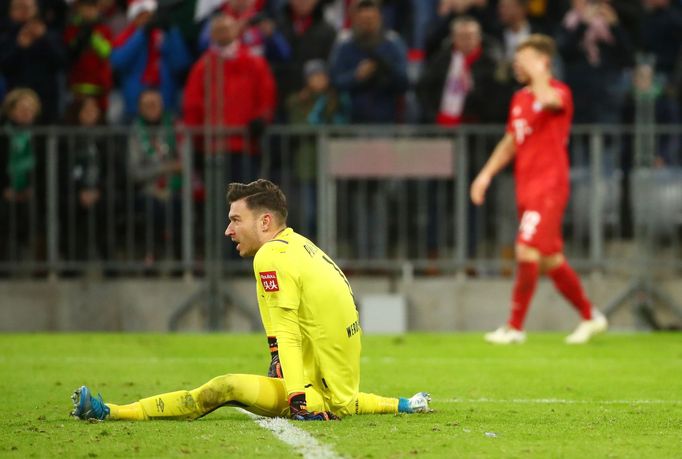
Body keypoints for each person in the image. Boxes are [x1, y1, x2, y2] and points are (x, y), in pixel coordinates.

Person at [71, 179, 431, 421]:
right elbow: (308, 340)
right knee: (342, 400)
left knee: (222, 387)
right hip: (328, 381)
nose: (228, 230)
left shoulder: (269, 256)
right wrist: (282, 361)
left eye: (235, 220)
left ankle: (113, 412)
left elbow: (289, 332)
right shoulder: (301, 245)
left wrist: (297, 397)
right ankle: (407, 404)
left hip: (312, 391)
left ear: (265, 222)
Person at [469, 34, 608, 345]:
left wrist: (540, 73)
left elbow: (548, 100)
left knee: (526, 249)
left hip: (549, 186)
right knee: (550, 260)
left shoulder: (558, 92)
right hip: (526, 187)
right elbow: (510, 142)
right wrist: (485, 175)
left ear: (543, 61)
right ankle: (590, 316)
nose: (519, 64)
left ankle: (515, 327)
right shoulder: (519, 99)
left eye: (526, 58)